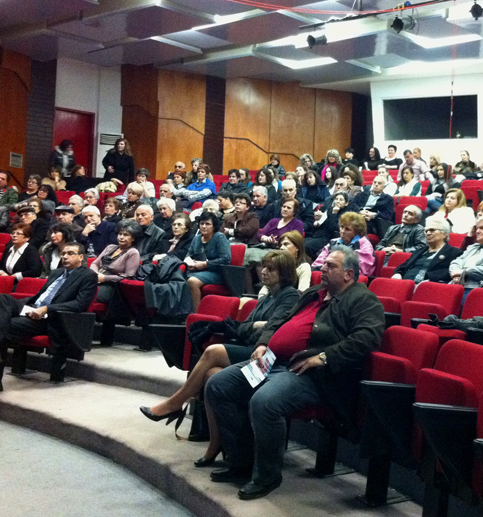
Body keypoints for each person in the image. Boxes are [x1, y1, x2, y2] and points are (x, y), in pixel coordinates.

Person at [203, 247, 384, 499]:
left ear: (348, 274)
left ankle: (267, 476)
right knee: (218, 385)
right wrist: (263, 343)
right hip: (272, 361)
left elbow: (368, 338)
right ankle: (241, 462)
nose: (323, 268)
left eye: (331, 266)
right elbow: (280, 321)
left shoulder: (363, 300)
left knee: (264, 402)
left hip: (309, 374)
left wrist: (324, 357)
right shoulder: (312, 293)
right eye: (324, 264)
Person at [140, 250, 301, 463]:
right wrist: (255, 326)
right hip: (251, 349)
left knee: (213, 351)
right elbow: (244, 328)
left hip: (267, 358)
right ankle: (216, 444)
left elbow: (275, 329)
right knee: (211, 376)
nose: (263, 272)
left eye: (271, 269)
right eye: (264, 267)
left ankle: (175, 403)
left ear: (285, 273)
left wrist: (253, 328)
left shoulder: (290, 295)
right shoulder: (267, 296)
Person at [0, 242, 98, 396]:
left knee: (2, 326)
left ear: (81, 257)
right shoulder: (56, 273)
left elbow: (79, 304)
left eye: (70, 253)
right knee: (4, 298)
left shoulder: (88, 276)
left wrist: (46, 309)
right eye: (63, 253)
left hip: (52, 319)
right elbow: (39, 297)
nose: (65, 256)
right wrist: (29, 306)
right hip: (33, 308)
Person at [185, 212, 232, 312]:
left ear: (214, 226)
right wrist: (190, 263)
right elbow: (188, 255)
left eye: (207, 224)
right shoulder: (197, 238)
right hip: (197, 271)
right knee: (177, 277)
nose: (204, 226)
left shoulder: (219, 237)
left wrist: (205, 264)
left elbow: (226, 259)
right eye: (202, 223)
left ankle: (195, 314)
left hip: (217, 273)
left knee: (192, 281)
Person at [393, 216, 463, 283]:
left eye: (432, 230)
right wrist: (398, 273)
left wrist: (430, 278)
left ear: (444, 234)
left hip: (429, 287)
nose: (428, 233)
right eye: (426, 231)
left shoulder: (454, 253)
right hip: (405, 285)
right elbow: (403, 266)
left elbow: (451, 271)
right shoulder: (419, 251)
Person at [312, 212, 375, 277]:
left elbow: (358, 272)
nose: (342, 231)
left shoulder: (365, 246)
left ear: (357, 232)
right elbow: (317, 264)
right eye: (341, 227)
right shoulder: (333, 242)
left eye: (347, 229)